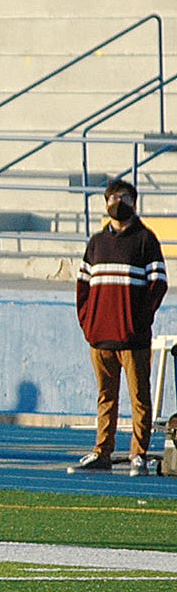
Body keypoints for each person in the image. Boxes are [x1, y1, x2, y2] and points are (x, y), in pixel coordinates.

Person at [72, 178, 165, 476]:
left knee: (140, 397)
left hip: (133, 339)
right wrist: (90, 325)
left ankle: (139, 454)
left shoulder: (145, 240)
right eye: (111, 198)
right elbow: (83, 288)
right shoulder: (96, 243)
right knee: (105, 397)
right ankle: (102, 451)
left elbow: (158, 284)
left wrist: (139, 321)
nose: (116, 203)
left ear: (134, 202)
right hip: (100, 339)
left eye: (123, 197)